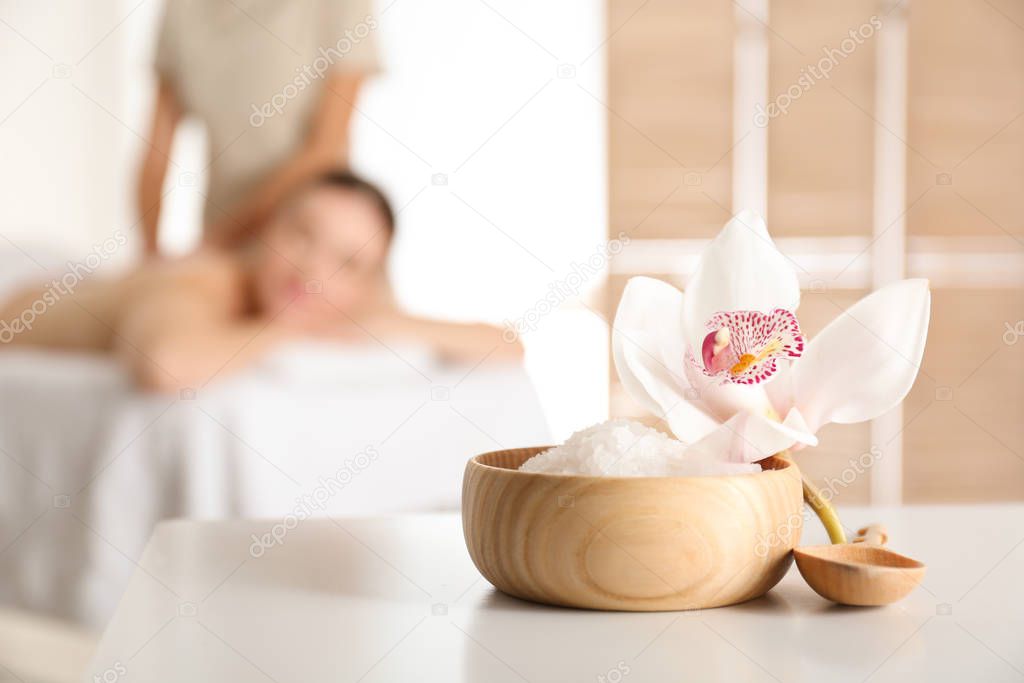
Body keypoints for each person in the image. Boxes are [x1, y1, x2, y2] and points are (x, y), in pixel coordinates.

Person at [0, 172, 522, 391]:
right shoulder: (201, 282)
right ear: (268, 228)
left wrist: (386, 322)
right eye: (301, 236)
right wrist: (293, 329)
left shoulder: (343, 302)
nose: (314, 271)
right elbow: (165, 366)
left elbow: (504, 346)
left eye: (347, 262)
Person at [140, 0, 380, 254]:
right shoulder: (183, 8)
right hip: (222, 250)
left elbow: (325, 150)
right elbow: (156, 156)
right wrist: (150, 256)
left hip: (311, 252)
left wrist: (217, 242)